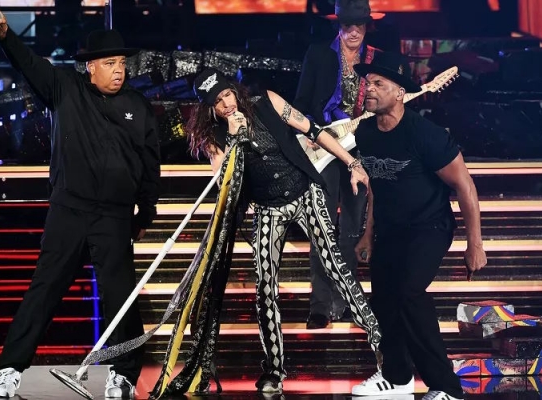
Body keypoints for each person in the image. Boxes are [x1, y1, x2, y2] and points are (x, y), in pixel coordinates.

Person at [148, 68, 382, 397]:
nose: (226, 104)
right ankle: (274, 370)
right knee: (264, 289)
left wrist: (352, 164)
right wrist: (234, 138)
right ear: (209, 109)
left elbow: (314, 130)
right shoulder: (214, 138)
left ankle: (381, 344)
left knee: (337, 270)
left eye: (227, 94)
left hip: (305, 193)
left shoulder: (267, 102)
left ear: (235, 90)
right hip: (267, 208)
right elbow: (226, 184)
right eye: (217, 102)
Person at [0, 2, 161, 399]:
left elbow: (151, 164)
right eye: (110, 63)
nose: (119, 70)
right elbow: (30, 64)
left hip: (114, 217)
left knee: (120, 298)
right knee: (45, 289)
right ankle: (10, 370)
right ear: (90, 67)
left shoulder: (138, 106)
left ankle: (123, 375)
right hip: (69, 210)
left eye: (122, 63)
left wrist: (146, 211)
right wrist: (5, 34)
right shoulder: (65, 88)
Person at [349, 51, 487, 400]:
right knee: (384, 301)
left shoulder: (425, 134)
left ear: (400, 93)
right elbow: (377, 187)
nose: (369, 89)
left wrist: (475, 244)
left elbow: (465, 186)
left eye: (378, 83)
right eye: (367, 83)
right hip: (390, 229)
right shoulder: (366, 133)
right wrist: (368, 233)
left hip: (429, 226)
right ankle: (396, 378)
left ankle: (446, 387)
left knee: (409, 294)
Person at [293, 0, 383, 329]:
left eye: (360, 25)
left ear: (367, 25)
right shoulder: (319, 55)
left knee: (352, 229)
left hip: (361, 152)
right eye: (348, 25)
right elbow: (301, 103)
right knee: (323, 225)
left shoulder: (376, 60)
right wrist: (310, 133)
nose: (354, 31)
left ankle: (346, 301)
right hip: (324, 147)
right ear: (339, 25)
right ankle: (319, 305)